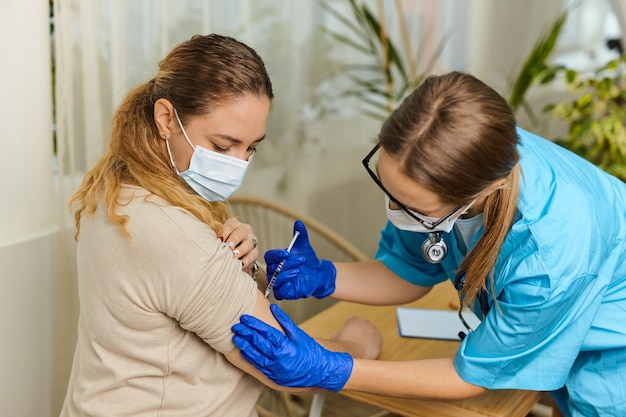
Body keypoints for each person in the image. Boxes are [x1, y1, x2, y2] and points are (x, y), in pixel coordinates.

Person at [232, 71, 626, 417]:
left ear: (485, 191)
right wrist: (327, 276)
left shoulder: (551, 257)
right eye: (389, 190)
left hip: (613, 359)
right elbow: (409, 270)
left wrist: (335, 369)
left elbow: (469, 376)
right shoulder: (453, 146)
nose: (393, 209)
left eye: (412, 207)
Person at [60, 34, 382, 417]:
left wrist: (242, 269)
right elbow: (285, 366)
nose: (239, 164)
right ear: (166, 119)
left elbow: (176, 293)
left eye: (251, 147)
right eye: (223, 146)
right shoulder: (171, 233)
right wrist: (357, 345)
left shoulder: (120, 191)